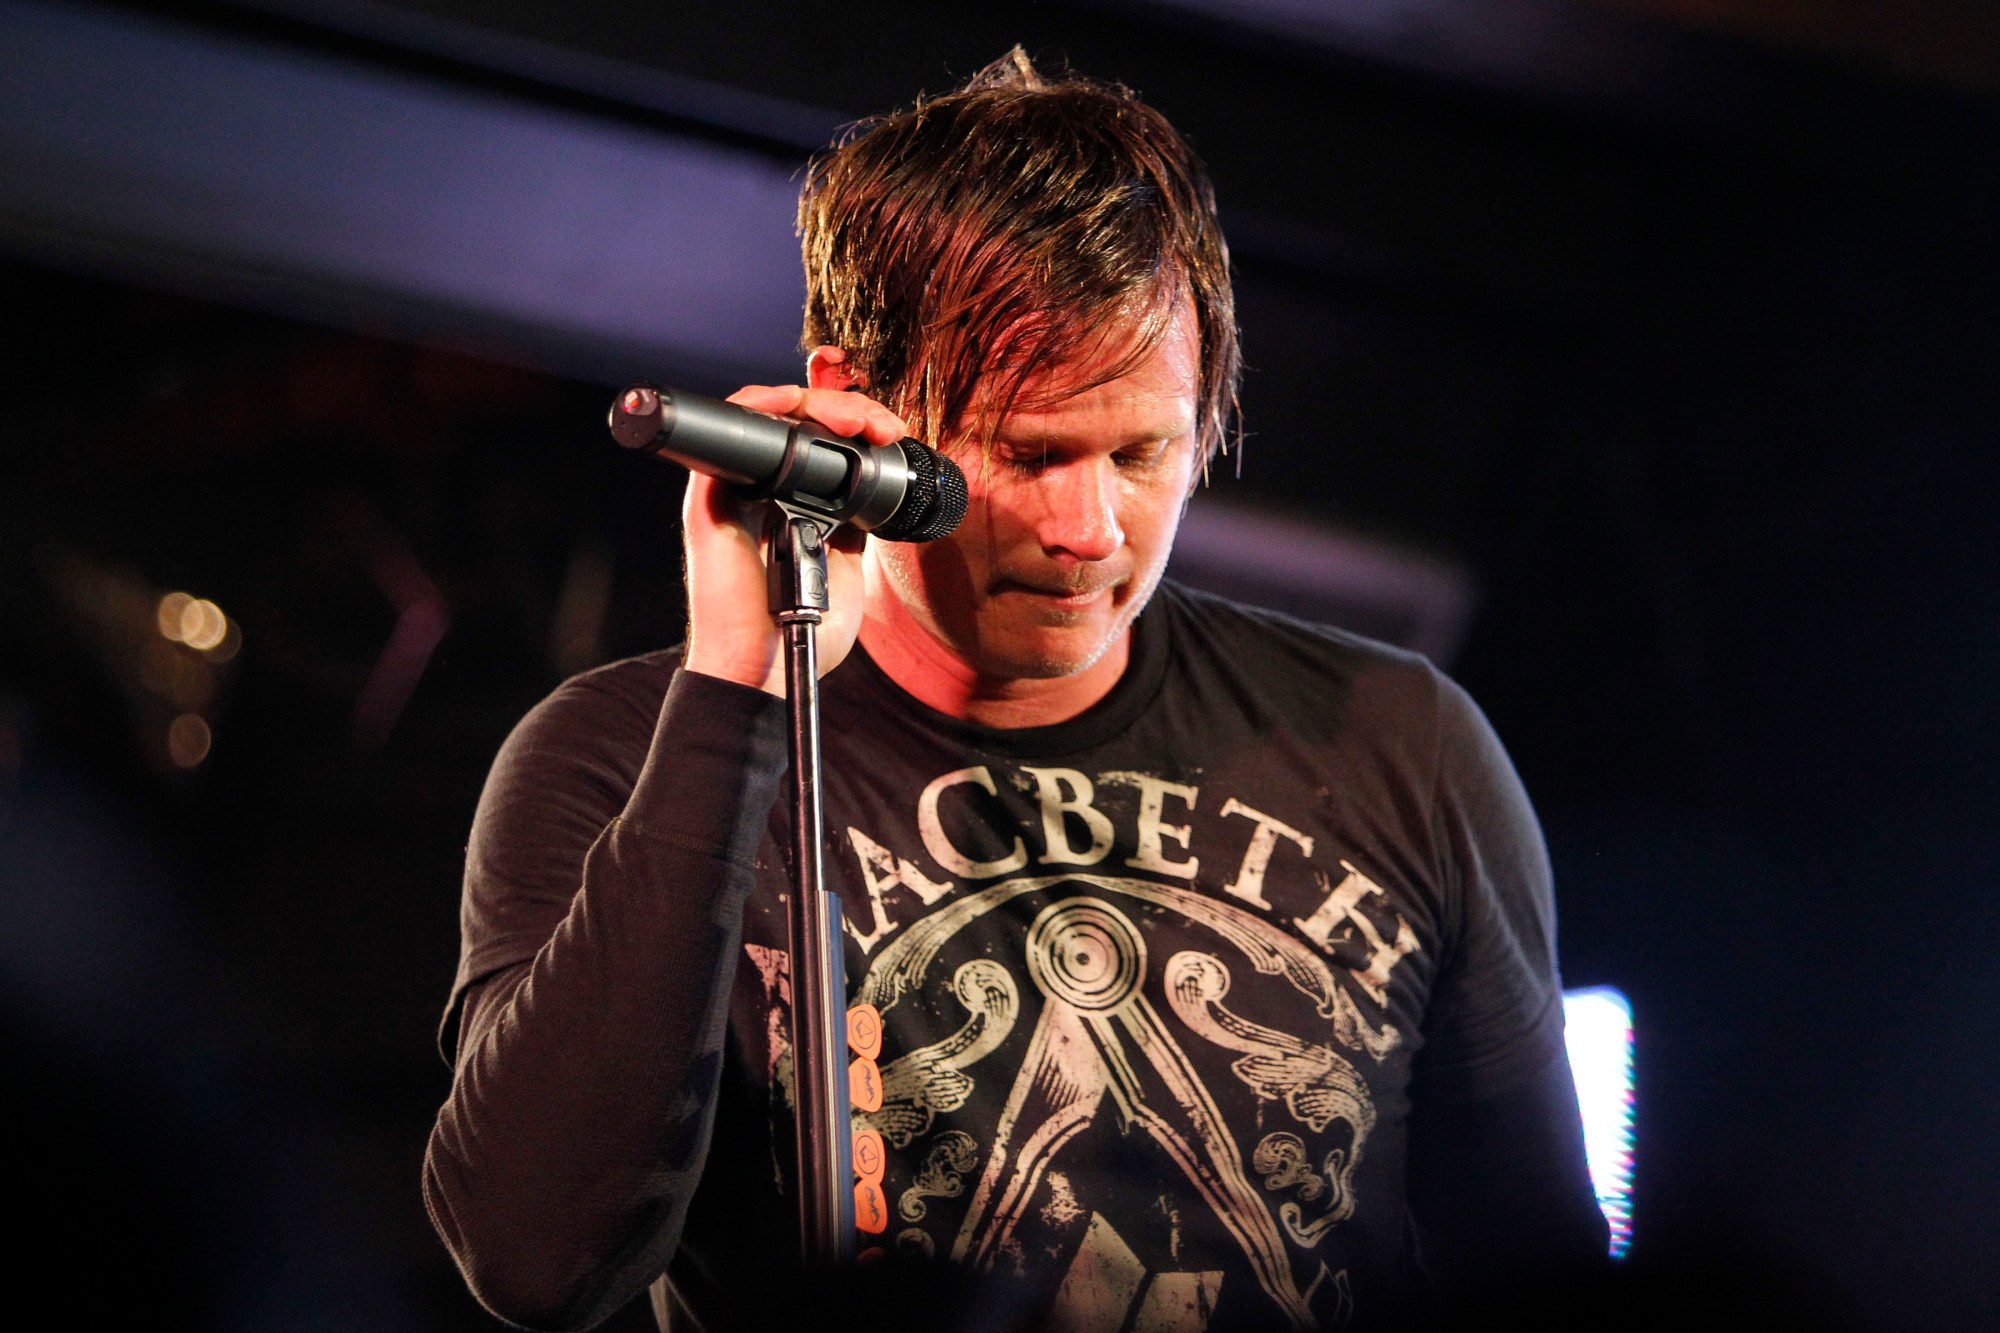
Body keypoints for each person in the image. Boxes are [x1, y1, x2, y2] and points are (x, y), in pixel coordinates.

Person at [424, 49, 1606, 1333]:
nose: (1092, 526)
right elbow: (536, 1259)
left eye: (1143, 451)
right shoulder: (618, 756)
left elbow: (1537, 1276)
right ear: (848, 402)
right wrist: (737, 697)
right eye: (1030, 452)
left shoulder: (1400, 745)